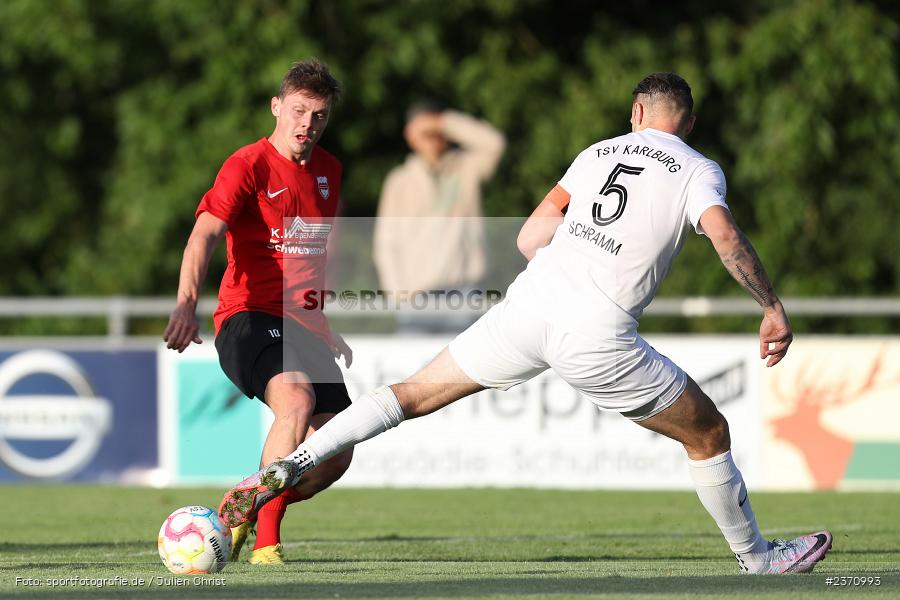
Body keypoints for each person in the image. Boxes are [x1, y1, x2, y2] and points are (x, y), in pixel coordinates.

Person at [219, 73, 832, 574]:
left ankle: (285, 469)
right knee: (709, 434)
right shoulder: (697, 169)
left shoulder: (599, 153)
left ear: (637, 113)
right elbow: (723, 234)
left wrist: (573, 263)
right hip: (597, 333)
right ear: (687, 124)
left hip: (527, 306)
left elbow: (531, 235)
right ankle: (758, 559)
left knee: (408, 395)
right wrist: (771, 306)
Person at [164, 59, 354, 566]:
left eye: (319, 115)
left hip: (300, 322)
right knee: (295, 400)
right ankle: (266, 542)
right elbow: (204, 233)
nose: (306, 124)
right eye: (298, 111)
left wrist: (323, 324)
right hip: (247, 315)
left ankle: (244, 507)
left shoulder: (329, 173)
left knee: (338, 448)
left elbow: (312, 257)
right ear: (277, 107)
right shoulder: (247, 164)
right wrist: (187, 305)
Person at [373, 102, 505, 332]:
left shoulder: (466, 167)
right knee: (412, 367)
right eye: (425, 133)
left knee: (467, 368)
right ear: (410, 136)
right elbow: (386, 242)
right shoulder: (399, 181)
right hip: (415, 298)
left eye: (436, 132)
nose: (432, 138)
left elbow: (494, 144)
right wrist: (397, 293)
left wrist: (444, 121)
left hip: (463, 293)